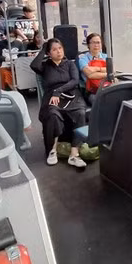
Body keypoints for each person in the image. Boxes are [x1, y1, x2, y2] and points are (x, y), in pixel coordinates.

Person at [30, 38, 87, 168]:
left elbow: (74, 81)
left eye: (60, 48)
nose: (58, 52)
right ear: (49, 53)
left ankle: (74, 154)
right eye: (54, 50)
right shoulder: (45, 66)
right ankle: (52, 150)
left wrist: (58, 91)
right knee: (52, 114)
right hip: (52, 96)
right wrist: (44, 48)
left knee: (80, 113)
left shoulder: (70, 64)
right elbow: (33, 65)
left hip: (71, 94)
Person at [77, 33, 108, 105]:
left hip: (107, 88)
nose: (96, 45)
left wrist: (96, 70)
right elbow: (89, 75)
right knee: (99, 103)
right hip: (92, 91)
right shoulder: (83, 58)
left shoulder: (106, 57)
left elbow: (112, 70)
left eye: (98, 42)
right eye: (93, 43)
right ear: (88, 45)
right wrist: (106, 72)